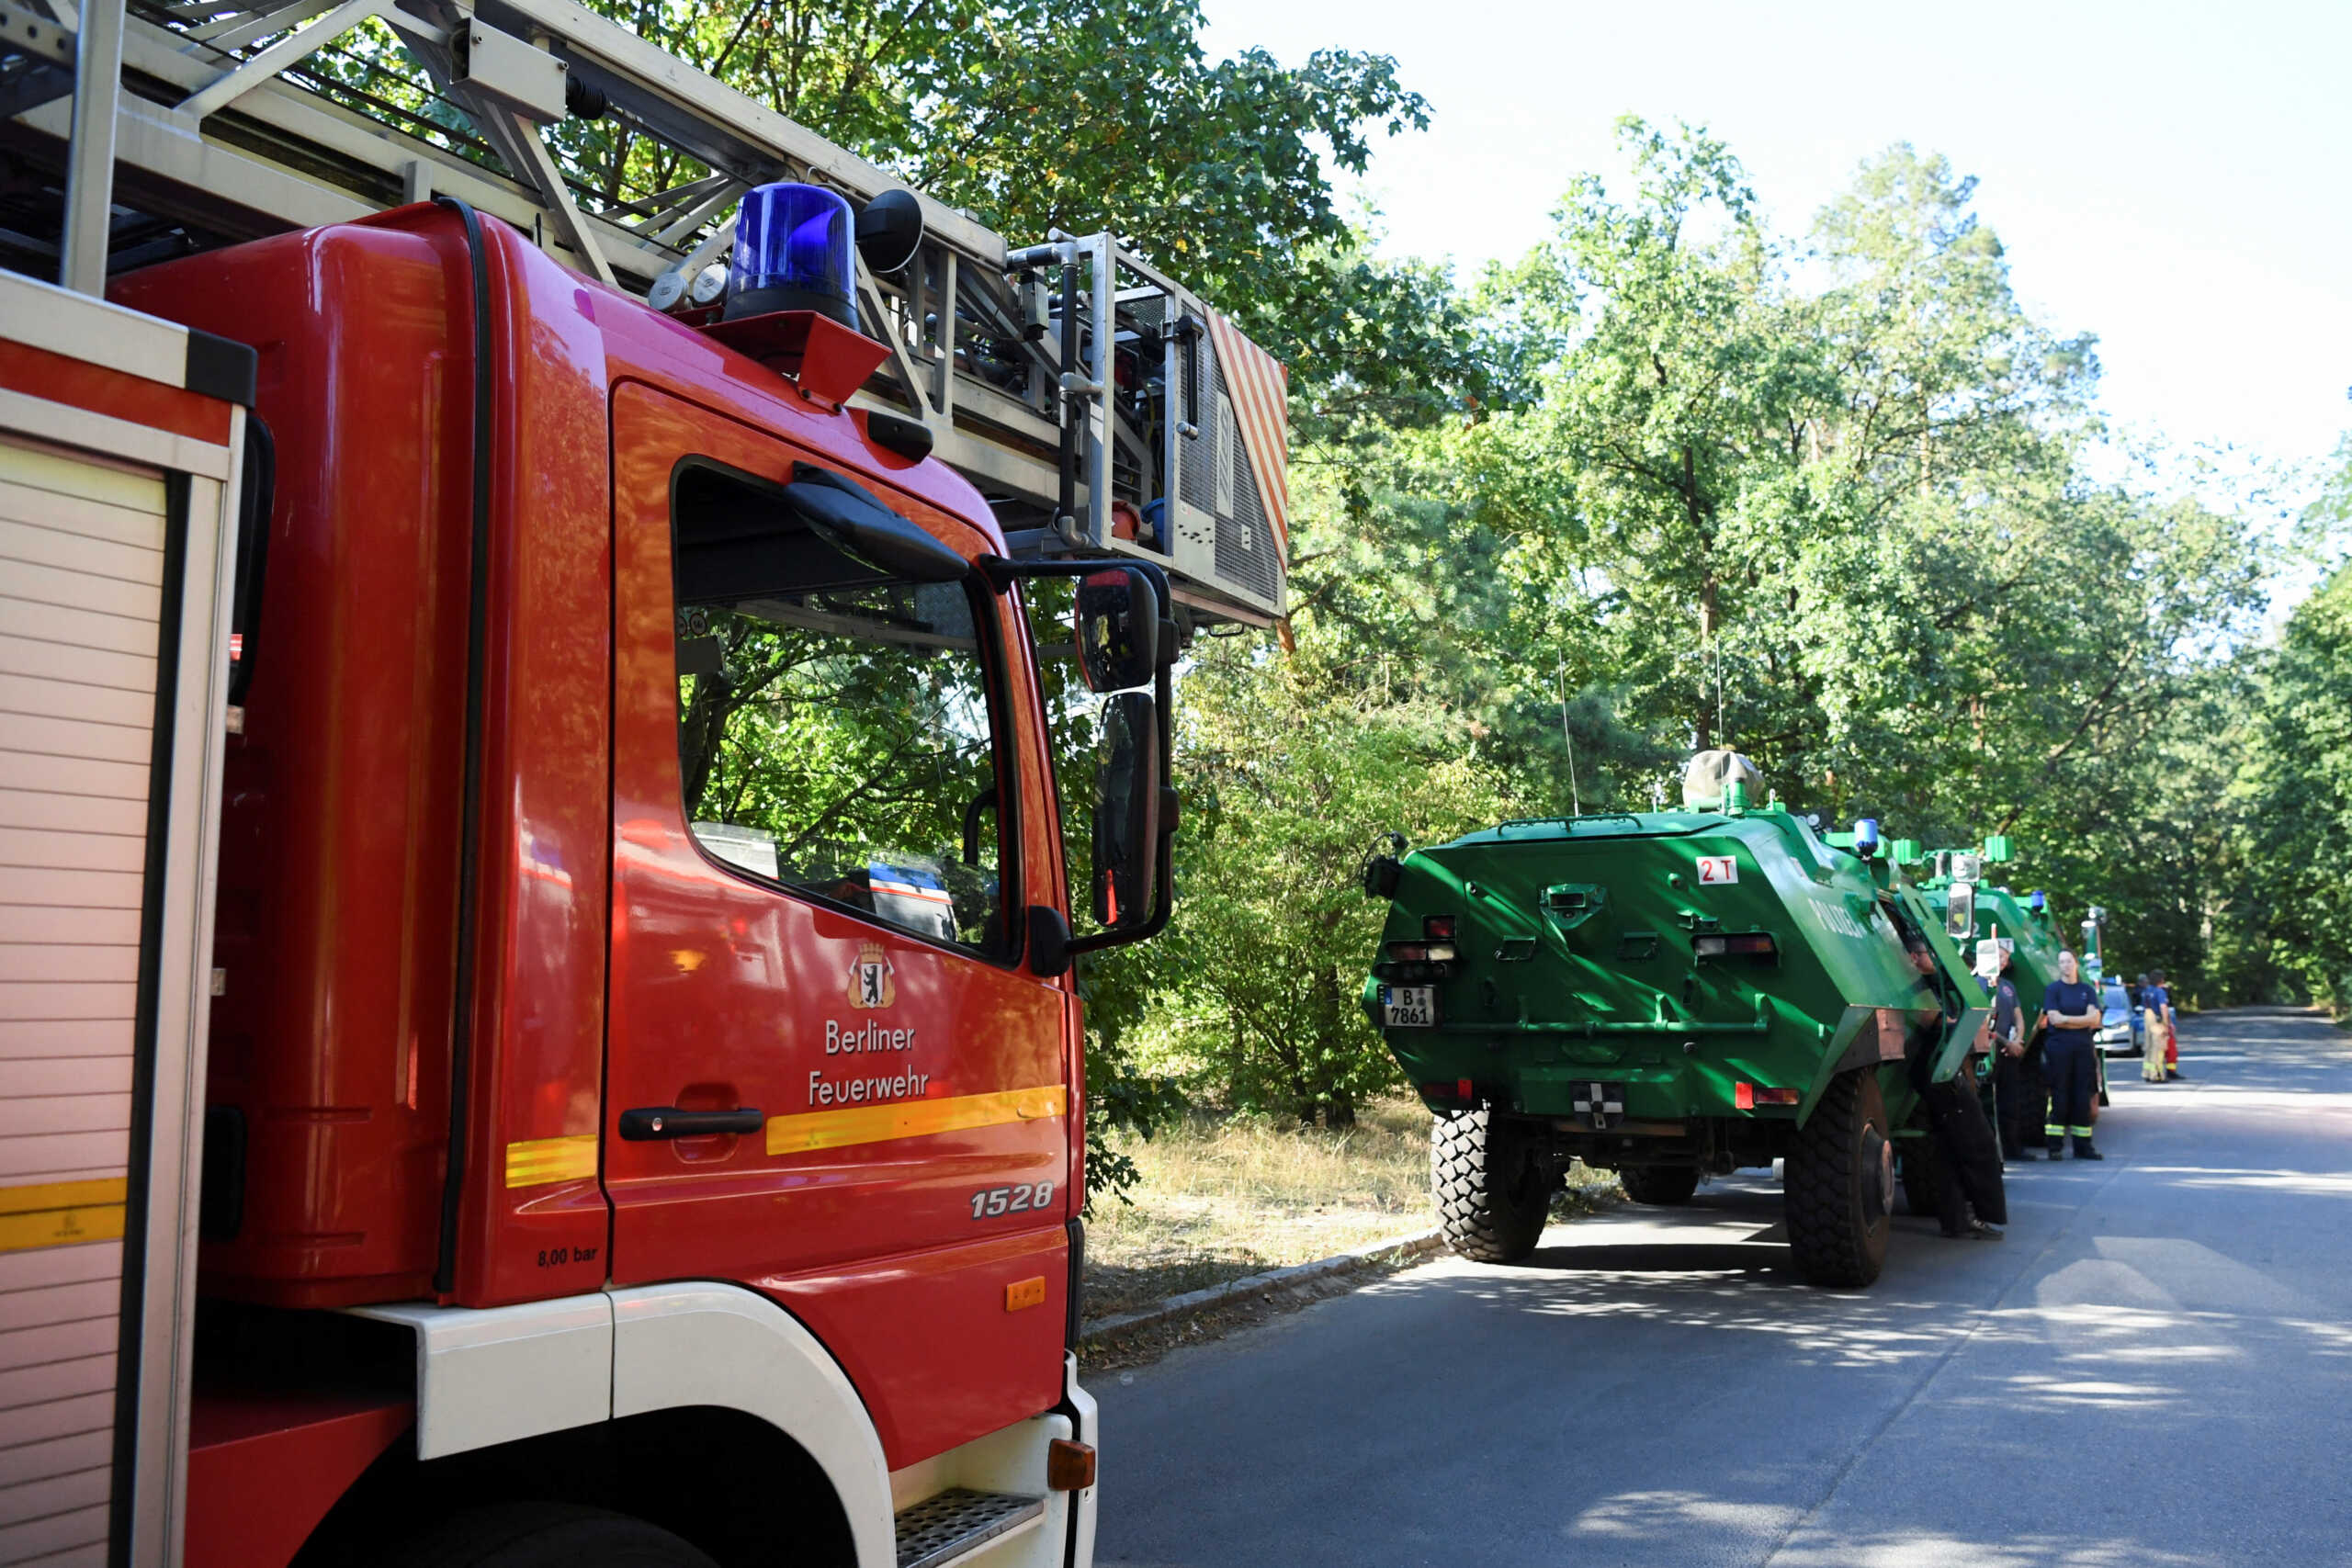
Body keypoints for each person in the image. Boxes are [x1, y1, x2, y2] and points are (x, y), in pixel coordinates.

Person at [1904, 929, 2005, 1236]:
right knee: (1975, 1146)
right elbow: (1935, 1022)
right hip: (1943, 1077)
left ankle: (1959, 1220)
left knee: (1950, 1151)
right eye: (1926, 954)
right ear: (1914, 958)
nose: (1932, 959)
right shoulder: (1919, 987)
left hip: (1939, 1076)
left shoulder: (1930, 985)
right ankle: (1970, 1217)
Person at [2040, 949, 2104, 1158]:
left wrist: (2068, 1020)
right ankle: (2055, 1147)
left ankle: (2083, 1147)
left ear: (2076, 964)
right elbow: (2055, 1019)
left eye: (2068, 961)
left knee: (2082, 1097)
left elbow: (2095, 1019)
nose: (2065, 965)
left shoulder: (2087, 990)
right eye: (2061, 962)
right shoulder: (2053, 990)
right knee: (2059, 1096)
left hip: (2083, 1049)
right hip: (2059, 1049)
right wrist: (2082, 1020)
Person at [1979, 940, 2031, 1160]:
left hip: (2009, 1053)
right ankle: (1991, 1152)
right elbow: (1984, 1021)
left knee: (2011, 1102)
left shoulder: (2009, 986)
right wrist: (2005, 1042)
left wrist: (2018, 1041)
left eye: (2006, 959)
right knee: (1987, 1104)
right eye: (2000, 956)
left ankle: (2013, 1148)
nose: (2003, 962)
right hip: (1989, 1052)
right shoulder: (1978, 983)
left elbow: (2019, 1018)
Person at [2149, 968, 2182, 1081]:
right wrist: (2167, 1024)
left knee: (2154, 1049)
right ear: (2161, 979)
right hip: (2160, 1023)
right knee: (2168, 1048)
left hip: (2150, 1023)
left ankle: (2151, 1073)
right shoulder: (2160, 991)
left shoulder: (2147, 991)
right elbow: (2163, 1007)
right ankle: (2164, 1073)